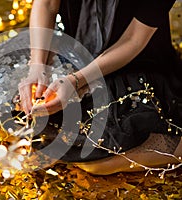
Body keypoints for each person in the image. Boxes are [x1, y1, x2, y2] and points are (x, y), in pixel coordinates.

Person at [18, 0, 182, 175]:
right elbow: (46, 5)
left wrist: (77, 80)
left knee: (97, 161)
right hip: (75, 53)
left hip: (131, 63)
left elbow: (133, 40)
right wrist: (38, 64)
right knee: (9, 111)